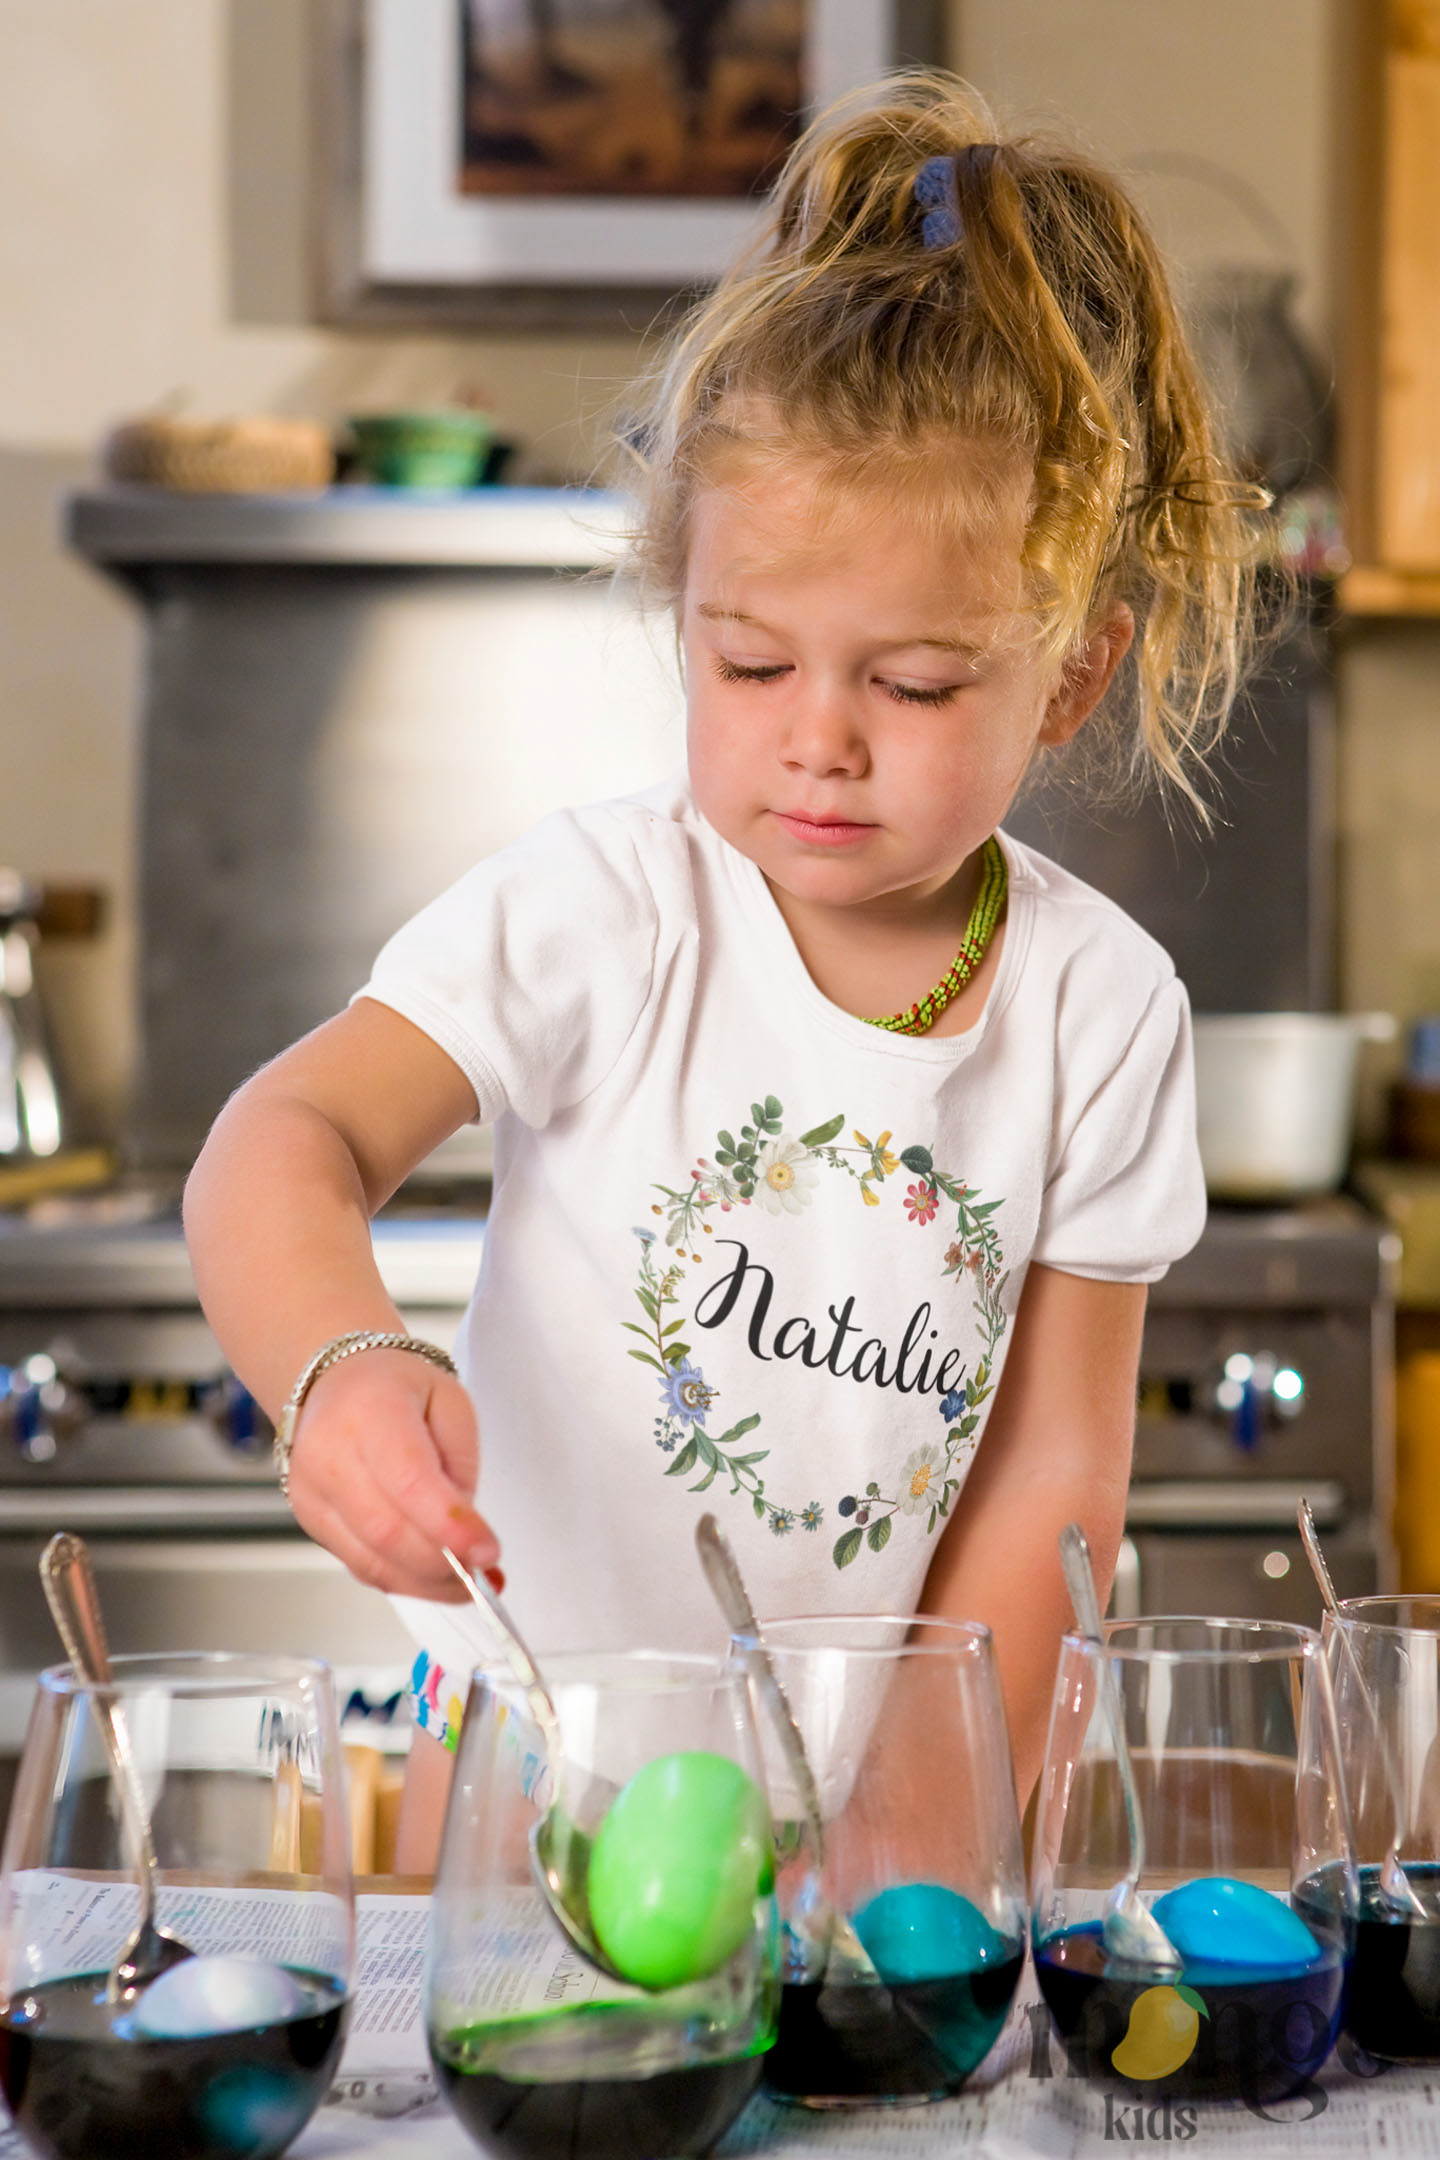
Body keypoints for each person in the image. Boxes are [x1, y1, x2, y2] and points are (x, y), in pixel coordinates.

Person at [183, 73, 1266, 1867]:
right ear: (680, 610)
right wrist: (340, 1367)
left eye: (913, 685)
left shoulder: (1102, 1009)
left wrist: (894, 1858)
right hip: (527, 1753)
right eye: (750, 663)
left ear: (1070, 674)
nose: (819, 742)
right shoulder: (609, 911)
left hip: (869, 1788)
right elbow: (284, 1135)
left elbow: (1051, 1485)